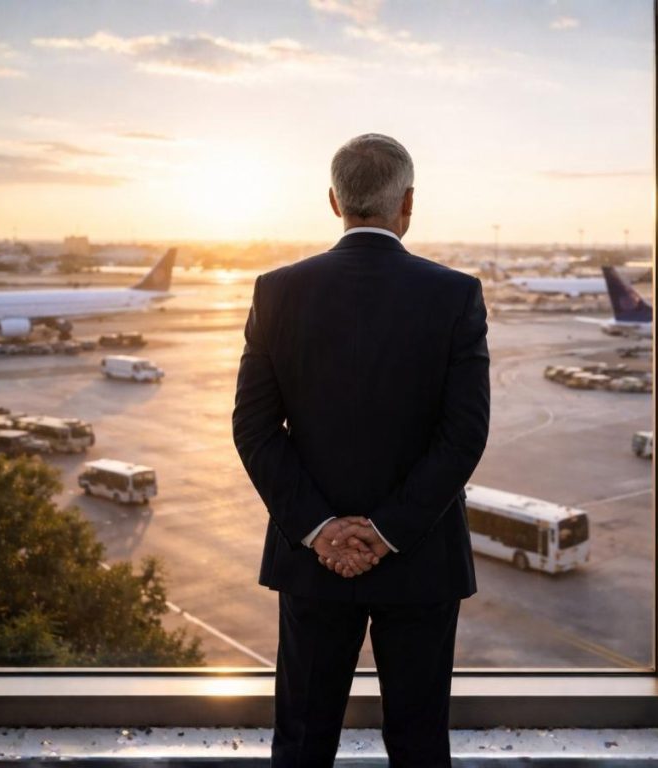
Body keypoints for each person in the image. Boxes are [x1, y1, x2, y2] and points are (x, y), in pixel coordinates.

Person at [232, 132, 490, 767]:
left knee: (302, 743)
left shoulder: (276, 291)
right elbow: (464, 435)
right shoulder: (455, 294)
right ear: (408, 205)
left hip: (312, 564)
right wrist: (387, 531)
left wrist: (321, 531)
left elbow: (255, 430)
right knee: (420, 743)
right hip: (421, 557)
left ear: (333, 201)